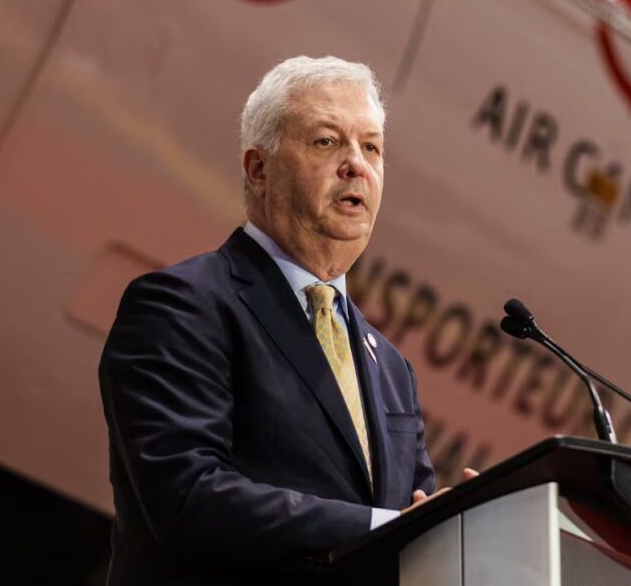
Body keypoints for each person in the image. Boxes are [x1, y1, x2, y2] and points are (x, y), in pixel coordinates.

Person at [99, 56, 463, 585]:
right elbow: (188, 496)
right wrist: (382, 527)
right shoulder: (184, 304)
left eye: (372, 147)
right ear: (258, 169)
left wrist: (468, 521)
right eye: (326, 142)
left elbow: (413, 524)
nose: (356, 164)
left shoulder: (391, 370)